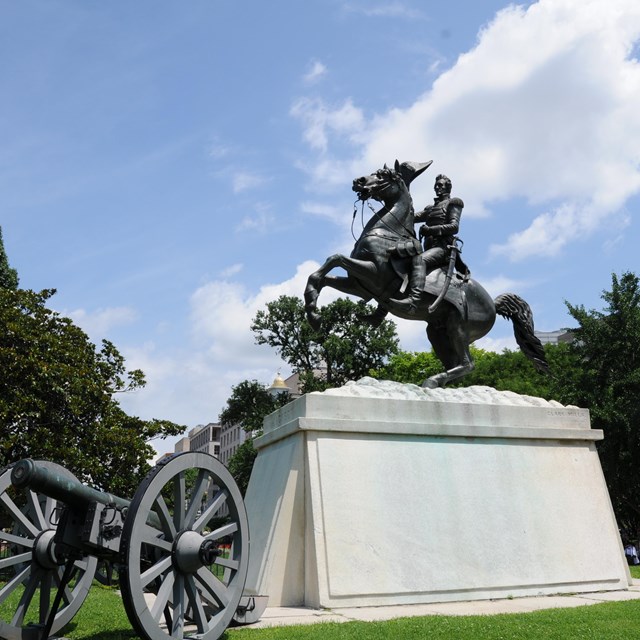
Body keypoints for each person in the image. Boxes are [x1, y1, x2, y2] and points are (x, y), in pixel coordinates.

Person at [396, 173, 467, 313]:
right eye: (436, 185)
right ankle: (381, 312)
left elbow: (454, 227)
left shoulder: (454, 203)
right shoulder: (430, 209)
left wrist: (430, 230)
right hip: (429, 248)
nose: (437, 187)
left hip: (443, 248)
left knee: (419, 260)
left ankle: (413, 300)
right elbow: (409, 217)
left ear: (448, 187)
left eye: (440, 185)